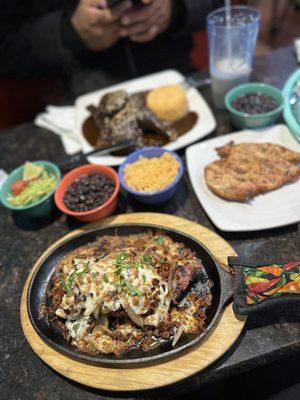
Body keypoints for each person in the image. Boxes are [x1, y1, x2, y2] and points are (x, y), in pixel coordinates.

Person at [0, 0, 222, 79]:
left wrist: (175, 9)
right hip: (73, 107)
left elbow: (225, 6)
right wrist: (69, 33)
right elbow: (6, 50)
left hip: (178, 82)